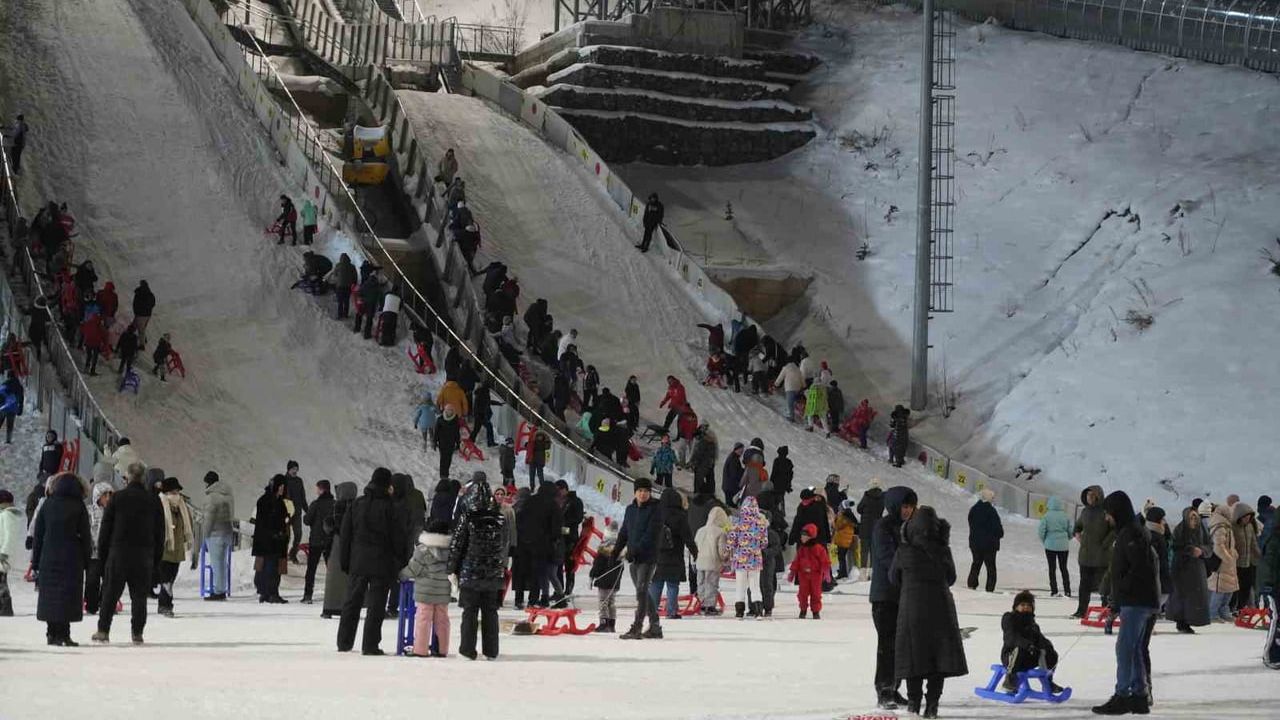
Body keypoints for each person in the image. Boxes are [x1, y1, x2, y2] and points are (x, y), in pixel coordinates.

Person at [890, 505, 967, 718]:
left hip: (912, 608)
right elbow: (950, 578)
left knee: (913, 657)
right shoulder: (943, 550)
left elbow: (892, 578)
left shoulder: (904, 551)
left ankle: (913, 703)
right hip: (941, 608)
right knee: (938, 658)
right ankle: (932, 704)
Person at [1091, 491, 1159, 716]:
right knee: (1134, 649)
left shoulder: (1131, 533)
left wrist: (1121, 594)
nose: (1106, 518)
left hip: (1137, 601)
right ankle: (1139, 696)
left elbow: (1138, 570)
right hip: (1137, 599)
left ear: (1116, 512)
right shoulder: (1129, 531)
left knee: (1124, 649)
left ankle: (1123, 695)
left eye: (1108, 514)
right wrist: (1118, 600)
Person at [337, 467, 408, 655]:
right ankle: (370, 645)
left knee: (352, 602)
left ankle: (344, 642)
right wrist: (399, 563)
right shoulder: (391, 507)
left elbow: (346, 535)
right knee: (376, 606)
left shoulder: (357, 504)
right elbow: (398, 538)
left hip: (358, 561)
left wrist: (345, 561)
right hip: (381, 563)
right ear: (387, 485)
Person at [94, 463, 163, 644]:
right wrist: (156, 560)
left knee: (110, 594)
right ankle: (137, 633)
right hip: (143, 556)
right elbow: (160, 533)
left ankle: (103, 630)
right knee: (139, 597)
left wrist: (103, 558)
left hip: (118, 554)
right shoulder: (153, 501)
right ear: (143, 478)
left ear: (127, 478)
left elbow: (105, 531)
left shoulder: (117, 498)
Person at [449, 476, 508, 660]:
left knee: (470, 612)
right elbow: (502, 545)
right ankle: (491, 650)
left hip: (471, 572)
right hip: (492, 573)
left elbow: (457, 545)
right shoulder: (498, 519)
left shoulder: (468, 517)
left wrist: (451, 568)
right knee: (490, 612)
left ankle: (467, 649)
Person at [29, 472, 90, 645]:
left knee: (51, 595)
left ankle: (51, 633)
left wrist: (35, 561)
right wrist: (87, 560)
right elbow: (86, 535)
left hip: (49, 556)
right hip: (72, 557)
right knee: (68, 596)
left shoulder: (47, 504)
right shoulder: (78, 506)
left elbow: (38, 535)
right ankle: (65, 634)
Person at [871, 485, 918, 710]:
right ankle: (884, 690)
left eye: (910, 506)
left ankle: (895, 687)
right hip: (885, 596)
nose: (908, 510)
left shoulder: (910, 527)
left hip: (904, 595)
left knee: (901, 646)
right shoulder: (884, 526)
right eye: (904, 506)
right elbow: (886, 557)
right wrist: (908, 571)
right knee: (888, 645)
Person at [614, 478, 664, 638]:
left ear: (650, 493)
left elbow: (651, 534)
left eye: (646, 491)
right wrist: (616, 550)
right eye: (639, 491)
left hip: (648, 557)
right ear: (635, 492)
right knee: (641, 592)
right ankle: (655, 626)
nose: (642, 494)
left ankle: (637, 627)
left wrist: (634, 550)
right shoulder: (630, 509)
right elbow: (624, 532)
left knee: (641, 590)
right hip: (634, 558)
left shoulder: (656, 509)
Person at [401, 518, 453, 657]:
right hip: (443, 591)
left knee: (423, 618)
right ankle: (443, 649)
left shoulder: (423, 549)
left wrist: (401, 575)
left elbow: (413, 569)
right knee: (442, 620)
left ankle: (421, 650)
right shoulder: (451, 550)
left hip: (425, 591)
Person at [1000, 591, 1062, 693]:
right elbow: (1011, 637)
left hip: (1028, 657)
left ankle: (1048, 682)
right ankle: (1010, 680)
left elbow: (1040, 639)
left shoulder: (1033, 624)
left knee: (1051, 653)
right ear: (1016, 607)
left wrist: (1047, 646)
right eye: (1022, 605)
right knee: (1020, 649)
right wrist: (1028, 645)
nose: (1026, 607)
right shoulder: (1009, 618)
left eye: (1029, 605)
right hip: (1011, 656)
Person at [651, 489, 697, 621]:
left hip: (657, 554)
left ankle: (651, 609)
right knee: (672, 584)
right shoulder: (680, 516)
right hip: (675, 554)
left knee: (656, 583)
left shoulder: (656, 514)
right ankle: (671, 611)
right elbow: (688, 537)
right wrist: (694, 552)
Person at [1073, 484, 1114, 618]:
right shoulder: (1085, 511)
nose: (1088, 497)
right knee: (1084, 585)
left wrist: (1105, 543)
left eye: (1091, 495)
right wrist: (1077, 533)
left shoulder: (1106, 511)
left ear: (1098, 496)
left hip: (1102, 557)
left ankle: (1106, 611)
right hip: (1085, 556)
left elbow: (1115, 529)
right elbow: (1077, 526)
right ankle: (1081, 610)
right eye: (1087, 495)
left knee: (1104, 586)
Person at [727, 495, 769, 620]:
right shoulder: (761, 524)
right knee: (755, 586)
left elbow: (731, 541)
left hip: (741, 560)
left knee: (740, 586)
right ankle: (758, 611)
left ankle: (739, 611)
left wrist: (729, 549)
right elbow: (764, 543)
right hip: (755, 560)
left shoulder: (738, 523)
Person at [154, 477, 192, 617]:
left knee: (171, 578)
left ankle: (164, 604)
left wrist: (187, 540)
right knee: (165, 579)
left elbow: (188, 525)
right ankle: (166, 605)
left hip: (177, 549)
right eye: (174, 491)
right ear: (167, 492)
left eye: (177, 491)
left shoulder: (182, 506)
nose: (176, 495)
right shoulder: (160, 505)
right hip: (164, 548)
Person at [322, 481, 358, 619]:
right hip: (353, 546)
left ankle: (330, 607)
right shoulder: (357, 506)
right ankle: (348, 607)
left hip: (337, 545)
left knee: (333, 580)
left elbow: (333, 525)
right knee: (350, 580)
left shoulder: (338, 506)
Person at [253, 475, 290, 604]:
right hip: (270, 541)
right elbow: (266, 522)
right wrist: (276, 533)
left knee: (268, 567)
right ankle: (271, 592)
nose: (282, 489)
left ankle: (266, 592)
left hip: (270, 541)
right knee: (271, 568)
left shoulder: (273, 501)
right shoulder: (269, 501)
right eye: (280, 487)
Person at [301, 480, 335, 604]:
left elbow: (307, 520)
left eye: (317, 488)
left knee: (311, 569)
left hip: (316, 540)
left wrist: (306, 517)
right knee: (332, 568)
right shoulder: (335, 504)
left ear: (321, 489)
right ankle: (334, 594)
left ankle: (308, 595)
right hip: (330, 540)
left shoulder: (315, 504)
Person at [202, 471, 234, 601]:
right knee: (222, 563)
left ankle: (218, 591)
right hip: (227, 531)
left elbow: (209, 519)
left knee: (216, 565)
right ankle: (222, 588)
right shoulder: (228, 494)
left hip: (215, 534)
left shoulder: (211, 497)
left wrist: (204, 534)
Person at [692, 505, 729, 616]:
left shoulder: (700, 530)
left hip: (699, 561)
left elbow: (694, 548)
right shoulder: (720, 532)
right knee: (711, 584)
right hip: (713, 562)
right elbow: (722, 552)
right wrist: (726, 557)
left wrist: (693, 562)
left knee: (701, 584)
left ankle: (701, 604)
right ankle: (710, 606)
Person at [790, 523, 832, 619]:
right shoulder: (802, 549)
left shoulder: (819, 549)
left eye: (804, 536)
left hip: (816, 575)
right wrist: (792, 572)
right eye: (802, 536)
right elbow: (796, 561)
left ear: (810, 537)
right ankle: (803, 610)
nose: (802, 538)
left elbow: (825, 561)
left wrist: (826, 572)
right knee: (802, 594)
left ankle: (816, 611)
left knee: (816, 593)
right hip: (803, 575)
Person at [1207, 502, 1240, 623]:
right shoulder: (1220, 527)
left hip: (1228, 562)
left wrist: (1233, 553)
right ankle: (1213, 612)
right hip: (1222, 563)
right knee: (1219, 589)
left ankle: (1224, 611)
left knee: (1229, 588)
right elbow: (1218, 546)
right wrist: (1228, 558)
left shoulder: (1226, 526)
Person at [967, 488, 1004, 592]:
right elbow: (997, 528)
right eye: (992, 498)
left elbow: (970, 523)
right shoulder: (991, 511)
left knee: (976, 563)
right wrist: (1000, 534)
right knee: (991, 567)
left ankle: (972, 583)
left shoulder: (973, 509)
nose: (993, 500)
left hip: (975, 542)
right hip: (989, 544)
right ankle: (990, 588)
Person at [1038, 495, 1073, 597]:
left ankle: (1054, 590)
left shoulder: (1046, 516)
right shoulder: (1065, 516)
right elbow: (1070, 531)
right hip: (1063, 546)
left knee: (1052, 568)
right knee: (1064, 568)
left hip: (1050, 546)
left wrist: (1045, 541)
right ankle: (1067, 590)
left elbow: (1041, 531)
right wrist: (1067, 539)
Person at [591, 526, 624, 632]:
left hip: (604, 582)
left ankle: (603, 623)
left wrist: (592, 576)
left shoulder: (603, 551)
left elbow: (597, 566)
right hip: (614, 583)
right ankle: (612, 624)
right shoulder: (619, 552)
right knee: (611, 602)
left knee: (603, 602)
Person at [1232, 502, 1262, 611]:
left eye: (1249, 518)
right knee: (1236, 588)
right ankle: (1234, 607)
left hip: (1248, 562)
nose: (1247, 520)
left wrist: (1259, 555)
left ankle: (1241, 607)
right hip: (1236, 563)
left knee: (1247, 586)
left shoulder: (1249, 527)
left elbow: (1253, 543)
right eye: (1245, 518)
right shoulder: (1233, 527)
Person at [283, 461, 309, 564]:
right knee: (286, 536)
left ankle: (292, 554)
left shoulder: (299, 481)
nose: (295, 471)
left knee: (298, 534)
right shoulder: (283, 480)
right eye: (293, 469)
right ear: (288, 469)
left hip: (297, 513)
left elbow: (303, 497)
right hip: (286, 514)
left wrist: (308, 511)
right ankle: (283, 556)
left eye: (296, 469)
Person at [433, 404, 462, 480]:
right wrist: (434, 441)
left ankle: (446, 474)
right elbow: (436, 431)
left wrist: (458, 443)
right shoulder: (440, 419)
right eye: (447, 410)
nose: (449, 412)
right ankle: (443, 475)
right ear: (445, 411)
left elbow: (457, 433)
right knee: (443, 459)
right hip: (442, 443)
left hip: (451, 443)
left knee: (448, 459)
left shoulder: (455, 420)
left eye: (451, 410)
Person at [834, 500, 857, 580]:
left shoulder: (844, 517)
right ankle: (842, 571)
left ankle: (842, 573)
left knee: (841, 557)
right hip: (847, 540)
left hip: (842, 540)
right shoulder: (850, 516)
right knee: (842, 557)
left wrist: (837, 517)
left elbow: (837, 526)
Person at [131, 280, 155, 347]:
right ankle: (143, 338)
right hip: (148, 315)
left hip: (140, 315)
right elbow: (153, 304)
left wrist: (136, 312)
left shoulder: (138, 293)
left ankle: (142, 345)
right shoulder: (150, 294)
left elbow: (135, 304)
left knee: (141, 330)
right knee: (142, 327)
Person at [721, 443, 744, 507]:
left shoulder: (734, 457)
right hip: (729, 487)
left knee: (730, 504)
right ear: (737, 449)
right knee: (729, 506)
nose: (742, 451)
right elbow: (734, 473)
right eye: (741, 450)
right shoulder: (734, 459)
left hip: (728, 486)